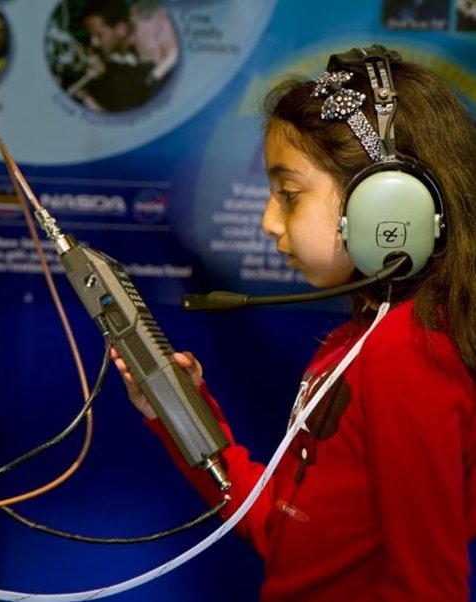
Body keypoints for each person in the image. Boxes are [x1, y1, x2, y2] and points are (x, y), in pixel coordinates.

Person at [112, 44, 476, 601]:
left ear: (387, 207)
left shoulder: (406, 357)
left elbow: (429, 586)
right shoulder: (355, 344)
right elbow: (284, 531)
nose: (267, 221)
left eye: (288, 194)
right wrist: (181, 416)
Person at [71, 0, 151, 112]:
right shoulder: (94, 63)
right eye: (90, 36)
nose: (94, 42)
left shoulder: (146, 54)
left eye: (99, 35)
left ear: (121, 29)